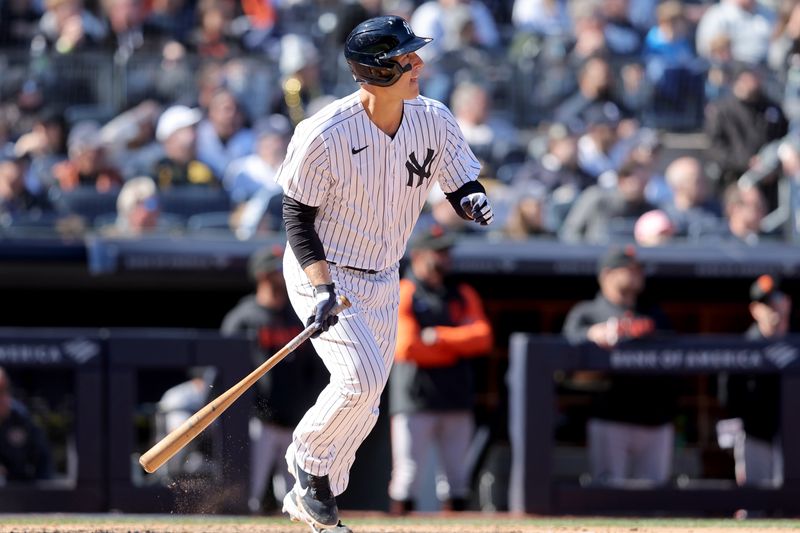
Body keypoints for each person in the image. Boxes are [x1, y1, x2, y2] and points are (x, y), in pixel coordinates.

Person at [275, 15, 494, 533]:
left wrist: (472, 200)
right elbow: (296, 217)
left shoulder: (434, 118)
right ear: (377, 69)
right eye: (406, 57)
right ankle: (308, 468)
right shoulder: (324, 131)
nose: (418, 63)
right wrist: (323, 285)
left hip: (381, 272)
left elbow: (460, 181)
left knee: (367, 404)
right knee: (359, 380)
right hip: (323, 268)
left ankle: (316, 501)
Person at [387, 225, 493, 514]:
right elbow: (407, 347)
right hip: (414, 398)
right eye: (440, 251)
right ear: (420, 255)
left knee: (457, 479)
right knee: (407, 476)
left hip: (455, 396)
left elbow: (482, 337)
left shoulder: (462, 293)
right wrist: (458, 344)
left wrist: (439, 338)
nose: (447, 257)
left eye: (448, 251)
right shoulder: (405, 290)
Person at [220, 246, 326, 514]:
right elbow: (226, 370)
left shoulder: (299, 313)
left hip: (296, 420)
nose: (283, 274)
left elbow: (316, 367)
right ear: (262, 275)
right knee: (250, 494)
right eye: (276, 270)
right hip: (258, 421)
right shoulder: (242, 318)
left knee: (297, 498)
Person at [562, 245, 675, 486]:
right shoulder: (588, 312)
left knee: (654, 500)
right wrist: (592, 334)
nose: (637, 275)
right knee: (608, 495)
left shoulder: (653, 312)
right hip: (610, 417)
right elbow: (565, 346)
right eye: (629, 269)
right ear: (606, 274)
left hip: (655, 419)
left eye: (639, 270)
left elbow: (674, 353)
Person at [724, 274, 788, 487]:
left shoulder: (795, 341)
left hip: (792, 437)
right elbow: (728, 397)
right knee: (754, 503)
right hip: (753, 435)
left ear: (787, 303)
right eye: (766, 304)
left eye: (776, 301)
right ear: (755, 309)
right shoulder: (743, 348)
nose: (773, 308)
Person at [0, 367, 54, 483]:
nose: (2, 398)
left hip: (17, 490)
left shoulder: (21, 418)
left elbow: (43, 462)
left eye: (4, 391)